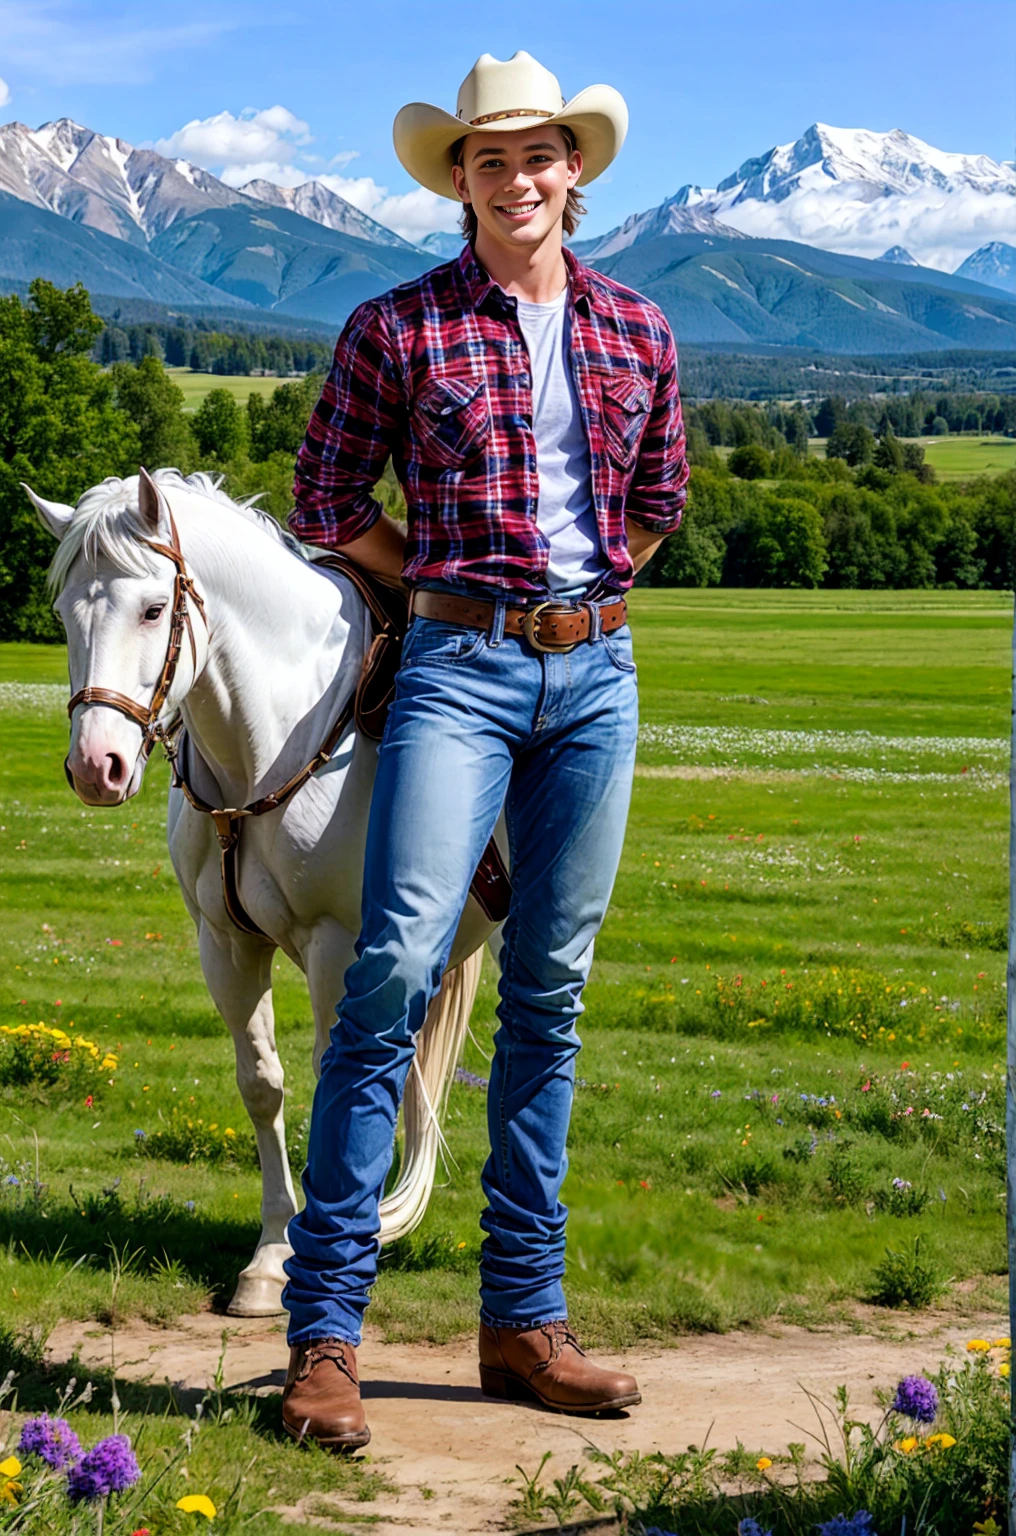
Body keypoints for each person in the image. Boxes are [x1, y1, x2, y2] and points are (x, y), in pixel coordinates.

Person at [281, 49, 689, 1449]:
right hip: (454, 666)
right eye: (489, 158)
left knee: (551, 995)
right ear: (457, 180)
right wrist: (450, 587)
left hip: (598, 682)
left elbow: (660, 500)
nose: (518, 178)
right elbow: (327, 495)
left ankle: (523, 1324)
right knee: (391, 971)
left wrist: (590, 603)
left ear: (577, 169)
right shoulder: (394, 328)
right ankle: (325, 1339)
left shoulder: (639, 328)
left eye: (539, 155)